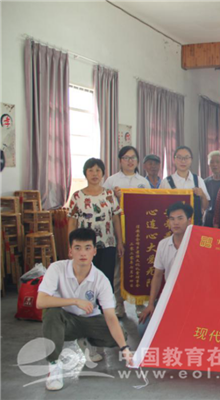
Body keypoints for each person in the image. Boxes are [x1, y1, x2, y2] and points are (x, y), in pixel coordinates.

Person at [37, 228, 132, 391]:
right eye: (77, 248)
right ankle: (54, 366)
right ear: (70, 251)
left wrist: (125, 349)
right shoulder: (56, 268)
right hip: (65, 321)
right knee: (51, 311)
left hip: (89, 320)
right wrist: (75, 301)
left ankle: (86, 341)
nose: (83, 253)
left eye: (87, 248)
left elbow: (110, 316)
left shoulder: (101, 279)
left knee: (120, 336)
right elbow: (41, 301)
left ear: (94, 251)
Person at [103, 146, 150, 317]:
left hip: (139, 230)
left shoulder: (143, 182)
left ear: (137, 161)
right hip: (118, 230)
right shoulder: (111, 181)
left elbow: (149, 205)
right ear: (120, 160)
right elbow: (104, 204)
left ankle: (139, 304)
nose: (130, 161)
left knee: (139, 265)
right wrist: (114, 197)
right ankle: (119, 305)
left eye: (133, 158)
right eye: (126, 158)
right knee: (118, 268)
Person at [67, 158, 123, 290]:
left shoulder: (109, 194)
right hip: (84, 246)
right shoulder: (77, 196)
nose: (94, 174)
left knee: (106, 279)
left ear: (103, 173)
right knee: (86, 279)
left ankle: (105, 303)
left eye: (98, 170)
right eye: (90, 170)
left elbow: (116, 219)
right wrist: (70, 245)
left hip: (108, 244)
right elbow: (72, 223)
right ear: (85, 173)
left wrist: (120, 242)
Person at [138, 202, 193, 337]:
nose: (176, 223)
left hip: (192, 298)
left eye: (180, 218)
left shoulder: (197, 244)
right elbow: (157, 276)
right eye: (172, 219)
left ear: (189, 220)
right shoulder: (163, 244)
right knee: (143, 330)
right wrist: (151, 304)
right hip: (169, 296)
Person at [159, 146, 210, 225]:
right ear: (174, 159)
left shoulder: (199, 180)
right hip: (173, 226)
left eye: (186, 158)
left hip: (194, 225)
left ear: (191, 160)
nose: (183, 161)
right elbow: (160, 206)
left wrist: (202, 195)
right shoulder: (165, 182)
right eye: (179, 157)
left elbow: (205, 207)